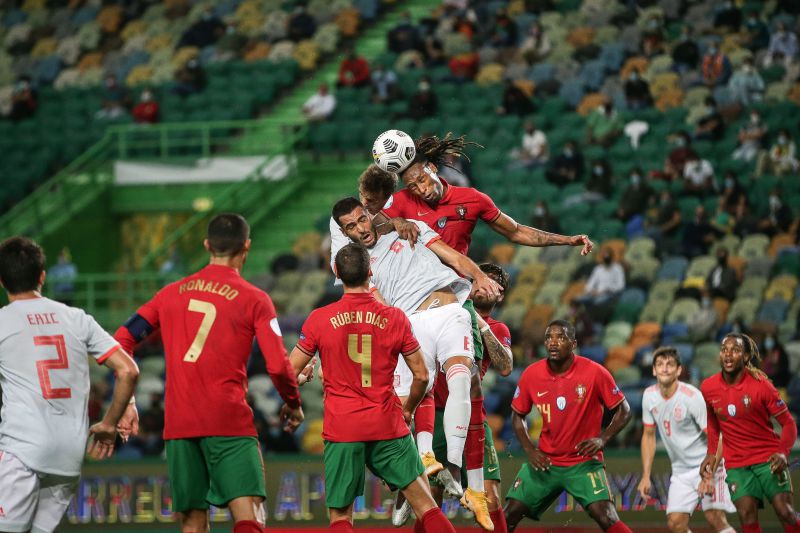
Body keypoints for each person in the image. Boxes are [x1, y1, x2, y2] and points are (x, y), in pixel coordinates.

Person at [113, 214, 304, 533]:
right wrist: (293, 403)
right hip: (228, 419)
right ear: (247, 247)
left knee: (192, 522)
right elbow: (277, 365)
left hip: (179, 424)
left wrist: (128, 401)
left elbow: (122, 339)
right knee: (249, 515)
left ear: (206, 245)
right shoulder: (255, 299)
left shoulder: (169, 294)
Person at [331, 197, 502, 530]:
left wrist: (479, 275)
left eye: (361, 220)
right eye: (350, 227)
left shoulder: (412, 229)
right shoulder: (356, 265)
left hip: (449, 309)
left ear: (370, 214)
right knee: (408, 398)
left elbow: (453, 257)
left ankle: (454, 473)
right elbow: (376, 303)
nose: (360, 229)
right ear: (342, 232)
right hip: (410, 323)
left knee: (462, 380)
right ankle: (412, 478)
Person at [287, 244, 456, 533]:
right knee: (425, 505)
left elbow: (289, 371)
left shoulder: (319, 319)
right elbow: (421, 375)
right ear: (370, 272)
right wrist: (408, 410)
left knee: (341, 517)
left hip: (342, 428)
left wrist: (299, 383)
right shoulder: (395, 318)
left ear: (337, 273)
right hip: (387, 422)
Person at [0, 237, 139, 533]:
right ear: (42, 276)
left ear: (2, 281)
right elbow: (128, 371)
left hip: (22, 451)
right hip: (68, 457)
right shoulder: (77, 318)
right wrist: (110, 423)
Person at [504, 320, 633, 533]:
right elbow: (517, 416)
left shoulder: (594, 372)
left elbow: (624, 410)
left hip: (583, 463)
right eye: (549, 338)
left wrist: (603, 438)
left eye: (561, 337)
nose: (553, 343)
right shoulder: (531, 374)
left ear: (573, 343)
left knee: (607, 516)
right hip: (545, 462)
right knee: (508, 514)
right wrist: (530, 449)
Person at [700, 334, 799, 533]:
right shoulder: (708, 387)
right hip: (737, 464)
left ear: (746, 357)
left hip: (768, 459)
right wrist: (711, 453)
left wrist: (782, 453)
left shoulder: (762, 386)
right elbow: (713, 422)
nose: (728, 354)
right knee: (746, 515)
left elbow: (788, 423)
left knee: (785, 512)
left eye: (735, 350)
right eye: (724, 349)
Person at [638, 347, 736, 533]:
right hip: (681, 470)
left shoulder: (692, 397)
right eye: (659, 364)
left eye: (670, 364)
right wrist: (645, 475)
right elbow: (648, 436)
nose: (665, 368)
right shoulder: (648, 396)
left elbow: (718, 438)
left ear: (679, 370)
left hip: (708, 464)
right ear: (653, 370)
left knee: (714, 517)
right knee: (675, 523)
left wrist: (708, 475)